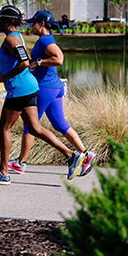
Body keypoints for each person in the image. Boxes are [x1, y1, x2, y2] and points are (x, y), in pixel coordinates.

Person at [0, 5, 86, 185]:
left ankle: (3, 173)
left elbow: (24, 62)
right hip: (29, 87)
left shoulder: (11, 40)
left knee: (4, 128)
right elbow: (18, 62)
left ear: (8, 22)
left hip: (19, 90)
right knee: (35, 128)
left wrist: (5, 76)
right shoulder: (16, 37)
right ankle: (72, 155)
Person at [8, 10, 96, 176]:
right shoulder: (45, 39)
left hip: (45, 88)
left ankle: (21, 163)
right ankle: (85, 154)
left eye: (34, 23)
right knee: (59, 124)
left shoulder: (44, 40)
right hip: (54, 87)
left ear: (41, 24)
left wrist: (39, 62)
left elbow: (59, 58)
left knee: (30, 125)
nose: (31, 26)